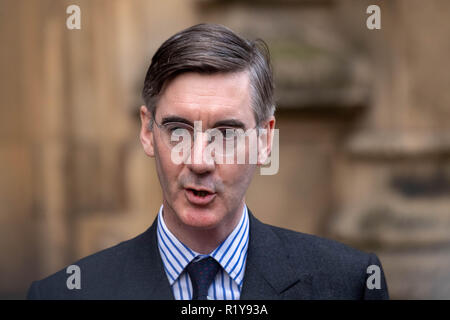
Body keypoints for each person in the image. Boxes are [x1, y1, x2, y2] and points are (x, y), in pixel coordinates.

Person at [27, 23, 388, 300]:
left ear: (264, 141)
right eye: (179, 130)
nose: (199, 160)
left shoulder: (347, 284)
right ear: (148, 132)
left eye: (226, 134)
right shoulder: (67, 293)